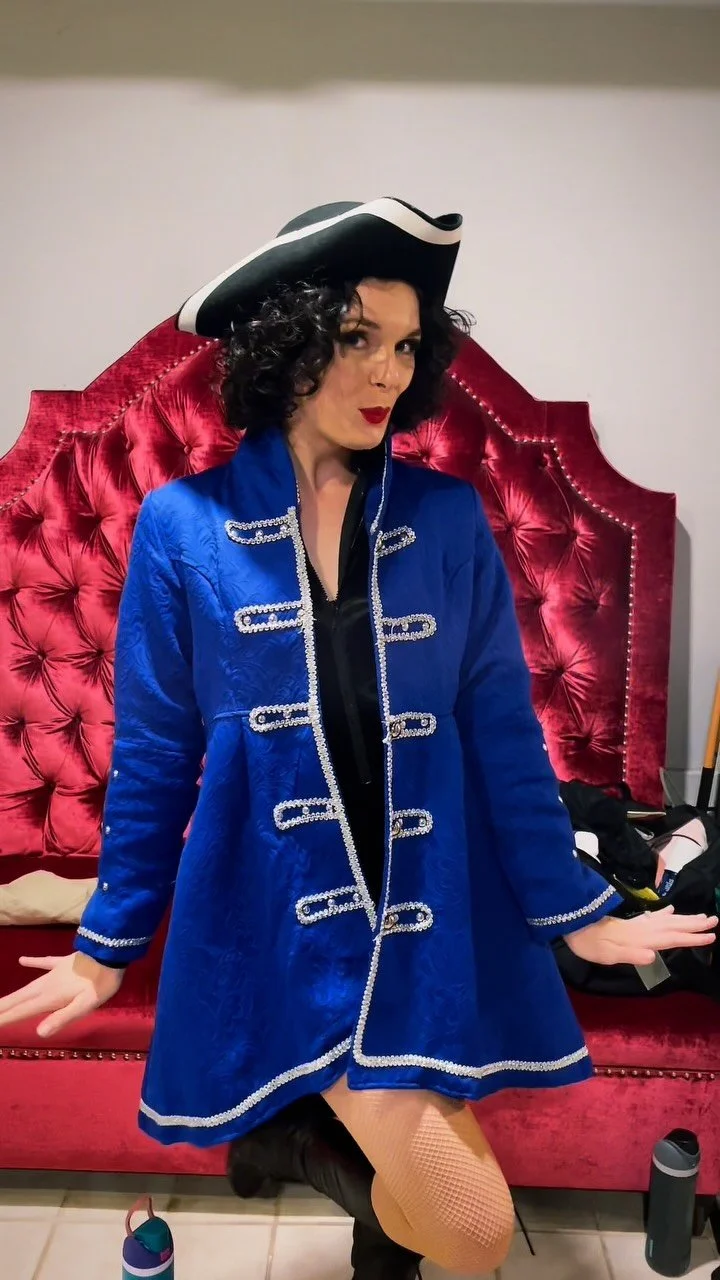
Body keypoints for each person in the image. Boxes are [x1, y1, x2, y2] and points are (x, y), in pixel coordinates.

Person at [0, 198, 715, 1279]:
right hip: (279, 917)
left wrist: (579, 909)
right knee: (473, 1226)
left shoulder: (448, 518)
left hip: (427, 907)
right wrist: (109, 944)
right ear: (287, 346)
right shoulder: (183, 528)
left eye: (407, 346)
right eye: (355, 338)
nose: (387, 372)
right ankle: (298, 1145)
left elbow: (502, 734)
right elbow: (154, 756)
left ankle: (302, 1159)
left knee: (429, 1207)